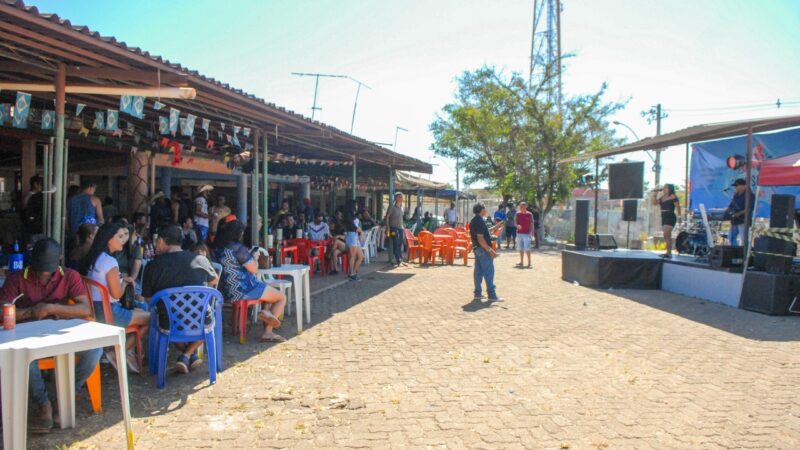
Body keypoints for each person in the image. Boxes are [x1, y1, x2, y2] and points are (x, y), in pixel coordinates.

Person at [0, 239, 103, 434]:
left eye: (48, 271)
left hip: (59, 333)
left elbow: (85, 309)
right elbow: (2, 310)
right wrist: (30, 312)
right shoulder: (17, 278)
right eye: (40, 270)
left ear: (60, 261)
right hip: (28, 334)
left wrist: (51, 308)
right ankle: (43, 404)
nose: (44, 276)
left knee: (95, 350)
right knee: (23, 358)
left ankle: (64, 398)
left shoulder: (70, 276)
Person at [141, 225, 219, 373]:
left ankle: (186, 355)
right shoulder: (199, 259)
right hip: (200, 319)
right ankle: (189, 355)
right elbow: (214, 280)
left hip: (170, 321)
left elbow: (149, 299)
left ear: (162, 241)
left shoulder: (152, 266)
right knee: (209, 322)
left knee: (167, 322)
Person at [81, 222, 150, 373]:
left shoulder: (94, 258)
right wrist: (124, 282)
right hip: (110, 313)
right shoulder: (110, 262)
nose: (123, 240)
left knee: (141, 311)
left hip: (95, 311)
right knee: (151, 318)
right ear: (109, 239)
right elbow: (117, 294)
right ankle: (120, 351)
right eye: (119, 237)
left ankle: (123, 352)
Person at [214, 220, 287, 342]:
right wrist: (254, 257)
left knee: (268, 294)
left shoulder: (219, 249)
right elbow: (254, 269)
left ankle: (267, 315)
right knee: (281, 297)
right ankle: (268, 328)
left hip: (227, 291)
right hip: (245, 289)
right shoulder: (238, 249)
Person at [470, 203, 502, 302]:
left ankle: (478, 293)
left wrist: (497, 226)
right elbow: (480, 238)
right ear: (482, 210)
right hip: (483, 249)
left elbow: (486, 231)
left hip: (477, 249)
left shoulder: (475, 220)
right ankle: (492, 295)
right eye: (485, 208)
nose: (486, 210)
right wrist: (489, 250)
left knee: (478, 272)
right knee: (489, 271)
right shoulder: (480, 221)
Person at [652, 184, 681, 258]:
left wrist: (679, 216)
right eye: (664, 187)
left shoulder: (673, 196)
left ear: (670, 189)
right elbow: (655, 203)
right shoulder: (662, 197)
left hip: (670, 216)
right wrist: (655, 195)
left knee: (666, 233)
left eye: (666, 187)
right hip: (664, 216)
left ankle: (669, 253)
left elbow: (678, 206)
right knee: (666, 235)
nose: (664, 189)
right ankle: (668, 252)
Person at [725, 178, 754, 246]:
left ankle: (744, 251)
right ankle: (735, 250)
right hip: (735, 220)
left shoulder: (750, 195)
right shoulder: (736, 195)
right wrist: (726, 211)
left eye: (737, 186)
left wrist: (739, 213)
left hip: (743, 220)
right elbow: (731, 205)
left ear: (743, 186)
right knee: (731, 237)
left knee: (744, 239)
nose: (735, 187)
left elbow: (749, 208)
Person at [344, 201, 364, 281]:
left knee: (361, 256)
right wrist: (357, 229)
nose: (356, 206)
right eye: (356, 205)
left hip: (355, 235)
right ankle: (352, 273)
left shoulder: (353, 214)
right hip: (352, 235)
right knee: (352, 256)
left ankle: (353, 273)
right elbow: (351, 225)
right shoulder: (348, 214)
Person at [384, 193, 405, 266]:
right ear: (396, 198)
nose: (402, 199)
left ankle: (401, 259)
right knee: (395, 243)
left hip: (400, 228)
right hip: (393, 228)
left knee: (400, 243)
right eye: (400, 197)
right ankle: (398, 260)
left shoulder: (402, 207)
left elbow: (401, 218)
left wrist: (403, 227)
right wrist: (388, 227)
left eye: (402, 197)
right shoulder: (392, 206)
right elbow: (387, 217)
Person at [515, 202, 534, 268]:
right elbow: (515, 222)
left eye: (523, 206)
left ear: (526, 206)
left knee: (527, 248)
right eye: (520, 206)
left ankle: (529, 263)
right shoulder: (517, 214)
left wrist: (532, 233)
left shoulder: (530, 214)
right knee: (521, 248)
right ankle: (521, 262)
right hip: (519, 233)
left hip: (527, 234)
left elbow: (532, 224)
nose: (521, 207)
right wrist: (517, 226)